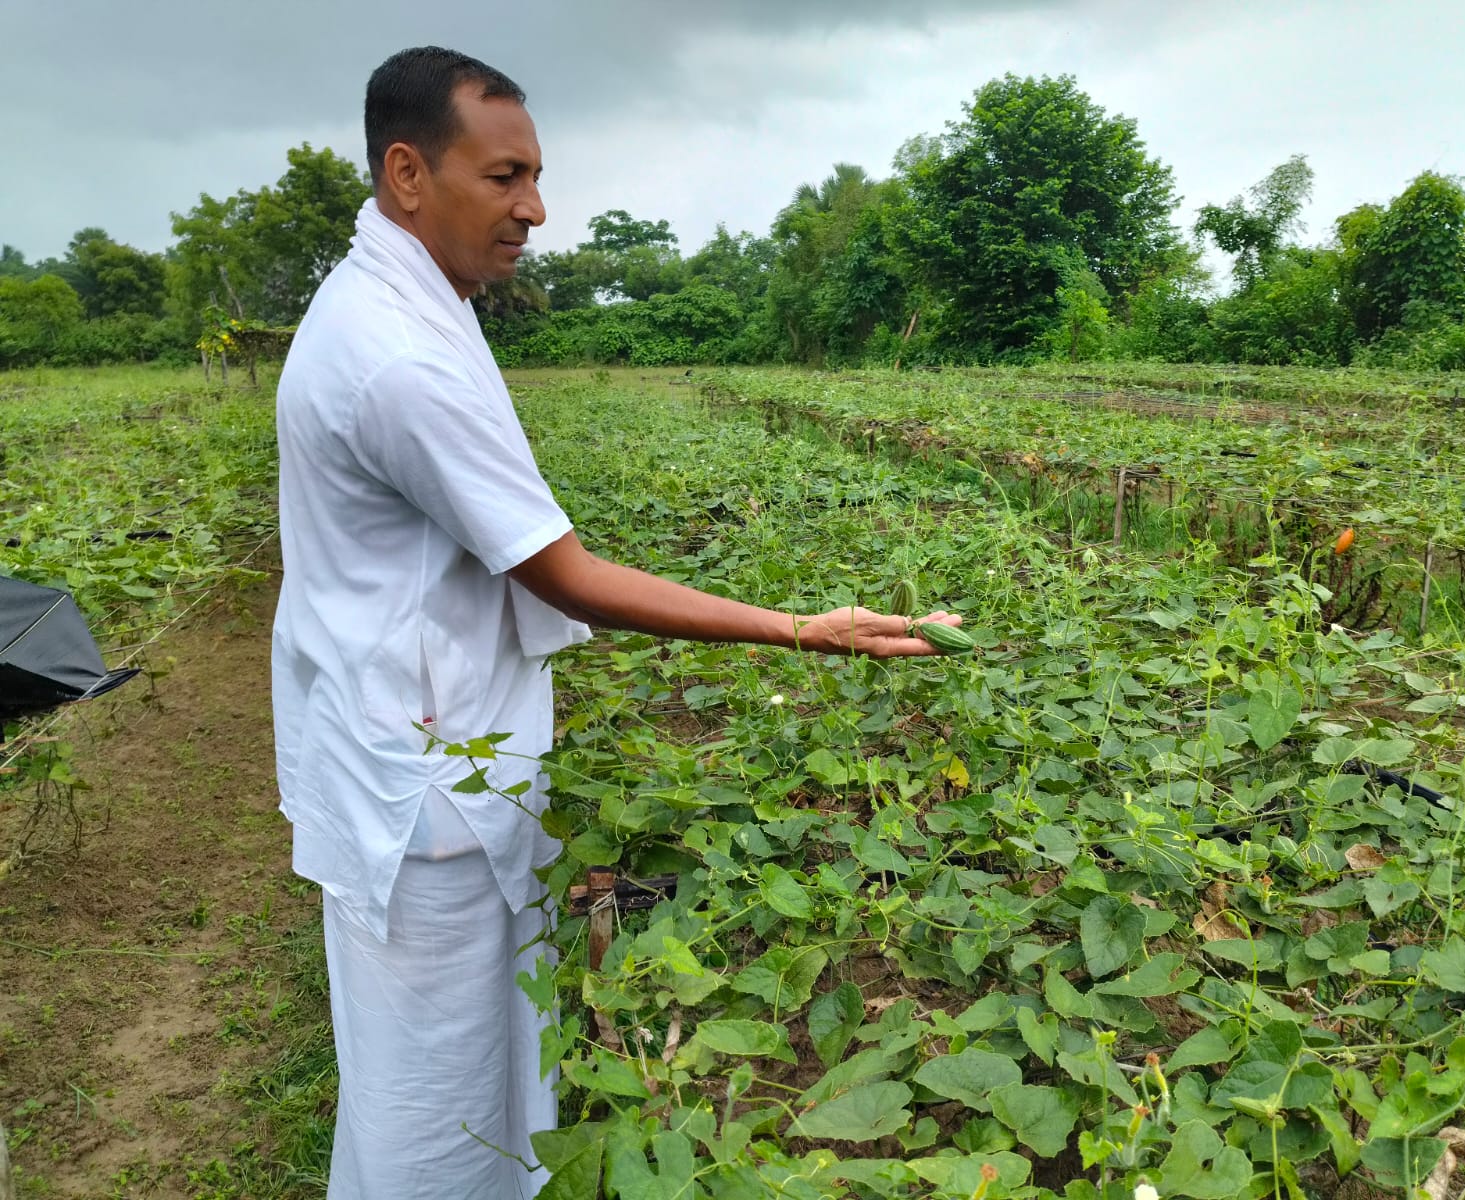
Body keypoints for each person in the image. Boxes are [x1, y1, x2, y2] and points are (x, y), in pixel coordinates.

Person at [270, 45, 959, 1199]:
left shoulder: (401, 300)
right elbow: (567, 574)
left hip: (419, 733)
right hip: (424, 779)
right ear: (406, 171)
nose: (534, 209)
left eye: (534, 177)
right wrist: (798, 628)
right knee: (432, 1094)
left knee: (464, 1059)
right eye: (504, 178)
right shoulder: (397, 356)